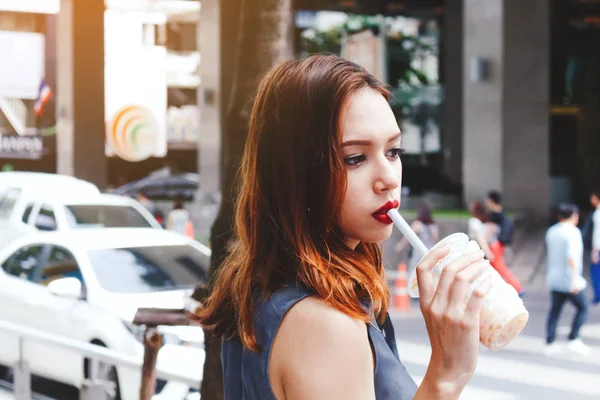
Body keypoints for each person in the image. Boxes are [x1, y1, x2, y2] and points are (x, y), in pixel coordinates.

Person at [195, 54, 493, 400]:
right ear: (298, 174)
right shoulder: (323, 324)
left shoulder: (261, 281)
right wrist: (446, 376)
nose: (387, 179)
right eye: (355, 158)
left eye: (394, 151)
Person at [544, 203, 591, 356]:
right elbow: (572, 258)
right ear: (574, 216)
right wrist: (574, 280)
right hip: (568, 279)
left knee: (555, 311)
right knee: (583, 307)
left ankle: (550, 341)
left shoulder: (552, 231)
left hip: (554, 278)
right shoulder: (573, 232)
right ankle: (574, 338)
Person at [468, 200, 523, 295]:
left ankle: (517, 288)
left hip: (491, 247)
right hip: (494, 245)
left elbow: (481, 239)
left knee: (499, 268)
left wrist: (487, 252)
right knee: (494, 270)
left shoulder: (475, 221)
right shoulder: (485, 220)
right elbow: (487, 235)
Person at [395, 203, 439, 272]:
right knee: (429, 271)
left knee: (413, 270)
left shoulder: (418, 224)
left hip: (418, 251)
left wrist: (400, 245)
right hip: (430, 251)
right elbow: (435, 238)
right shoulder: (432, 225)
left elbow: (408, 235)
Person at [486, 190, 514, 257]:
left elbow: (491, 229)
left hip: (497, 245)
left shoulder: (494, 214)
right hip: (503, 244)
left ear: (491, 201)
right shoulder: (502, 213)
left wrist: (485, 242)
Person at [589, 189, 600, 304]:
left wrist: (595, 251)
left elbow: (598, 233)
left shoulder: (598, 214)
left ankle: (598, 295)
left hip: (599, 248)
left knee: (596, 272)